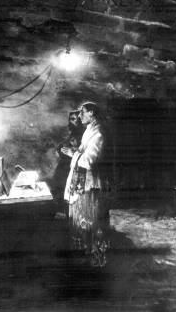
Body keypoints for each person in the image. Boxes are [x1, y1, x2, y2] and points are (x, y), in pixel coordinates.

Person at [62, 102, 109, 267]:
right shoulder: (89, 131)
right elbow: (82, 154)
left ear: (92, 113)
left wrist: (73, 154)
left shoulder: (98, 135)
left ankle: (95, 258)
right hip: (82, 182)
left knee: (90, 219)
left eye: (82, 112)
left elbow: (88, 160)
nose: (79, 115)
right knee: (80, 218)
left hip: (90, 184)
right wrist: (73, 153)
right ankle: (84, 256)